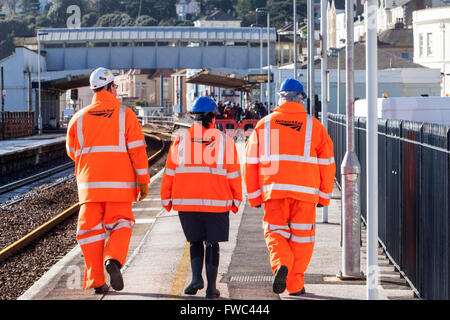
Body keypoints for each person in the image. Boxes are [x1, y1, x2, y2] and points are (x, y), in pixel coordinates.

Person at [242, 78, 336, 296]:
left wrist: (255, 197)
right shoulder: (315, 126)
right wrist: (324, 197)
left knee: (275, 233)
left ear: (280, 97)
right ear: (301, 98)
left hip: (274, 192)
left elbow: (250, 163)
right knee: (302, 240)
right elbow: (327, 164)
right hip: (306, 194)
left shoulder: (264, 124)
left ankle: (281, 263)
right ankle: (295, 285)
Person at [66, 67, 150, 294]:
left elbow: (73, 152)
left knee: (89, 233)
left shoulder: (78, 119)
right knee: (122, 224)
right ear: (111, 87)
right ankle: (113, 259)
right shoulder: (125, 115)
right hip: (119, 188)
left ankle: (97, 281)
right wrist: (143, 181)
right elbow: (138, 153)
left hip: (89, 189)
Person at [160, 96, 242, 299]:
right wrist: (236, 200)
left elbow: (169, 172)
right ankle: (210, 289)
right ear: (214, 116)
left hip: (186, 202)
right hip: (217, 202)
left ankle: (196, 278)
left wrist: (166, 199)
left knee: (194, 241)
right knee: (212, 243)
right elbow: (234, 174)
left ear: (193, 118)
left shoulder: (180, 140)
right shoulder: (224, 141)